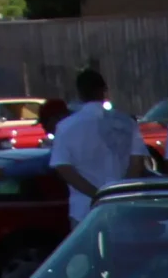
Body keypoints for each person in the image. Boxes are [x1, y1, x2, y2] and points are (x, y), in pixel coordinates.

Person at [47, 66, 145, 220]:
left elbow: (64, 169)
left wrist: (98, 195)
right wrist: (119, 195)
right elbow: (137, 164)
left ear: (79, 93)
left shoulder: (65, 127)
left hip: (84, 210)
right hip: (123, 207)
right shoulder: (127, 123)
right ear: (104, 90)